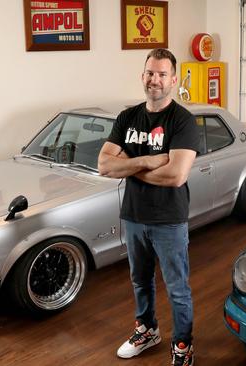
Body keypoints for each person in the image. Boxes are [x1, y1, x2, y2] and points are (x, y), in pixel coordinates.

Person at [98, 48, 199, 366]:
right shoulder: (127, 117)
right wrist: (149, 160)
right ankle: (147, 329)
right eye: (150, 73)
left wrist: (127, 163)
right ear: (143, 76)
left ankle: (183, 344)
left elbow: (176, 175)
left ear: (173, 79)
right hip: (135, 215)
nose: (155, 79)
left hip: (169, 219)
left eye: (162, 74)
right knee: (140, 280)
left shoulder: (182, 120)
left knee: (177, 287)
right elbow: (103, 165)